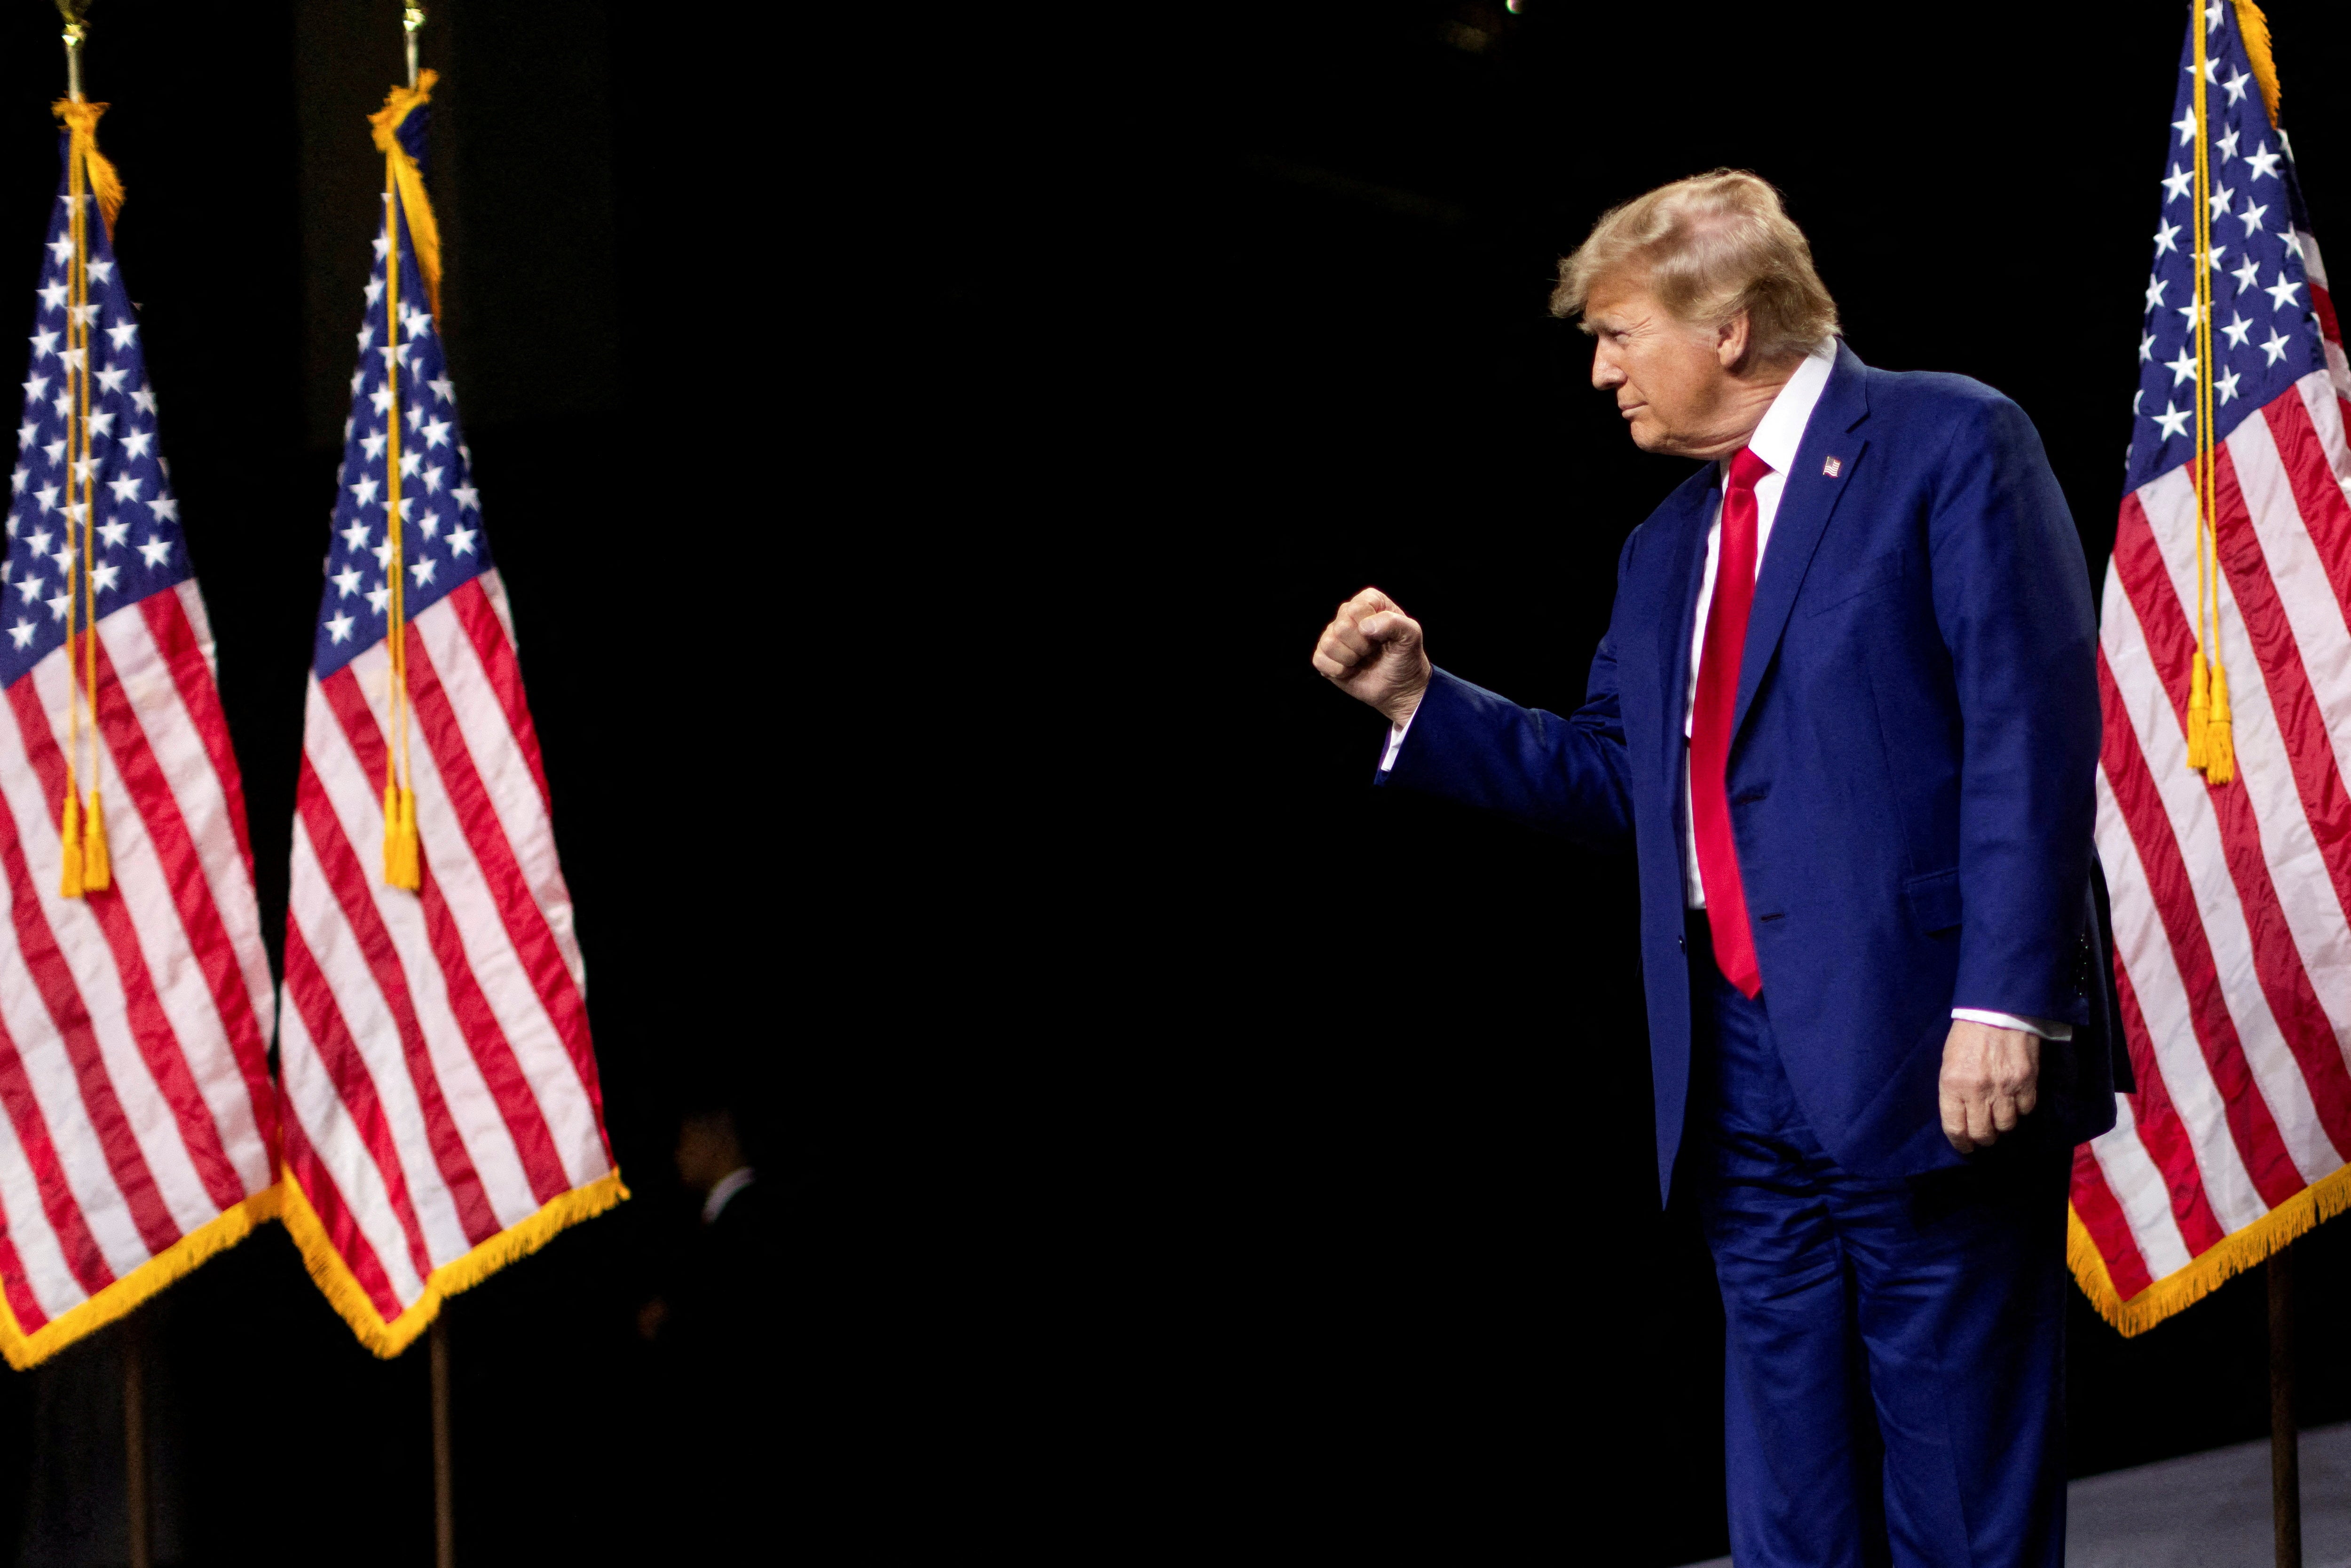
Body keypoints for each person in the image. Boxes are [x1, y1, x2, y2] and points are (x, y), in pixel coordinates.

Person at [1310, 170, 2125, 1568]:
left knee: (1961, 1491)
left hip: (1929, 1040)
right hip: (1735, 1077)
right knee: (1790, 1506)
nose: (1600, 372)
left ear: (1732, 326)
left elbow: (2031, 733)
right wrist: (1419, 706)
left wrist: (2008, 1002)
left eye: (1621, 333)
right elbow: (1628, 781)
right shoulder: (1662, 546)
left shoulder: (1950, 440)